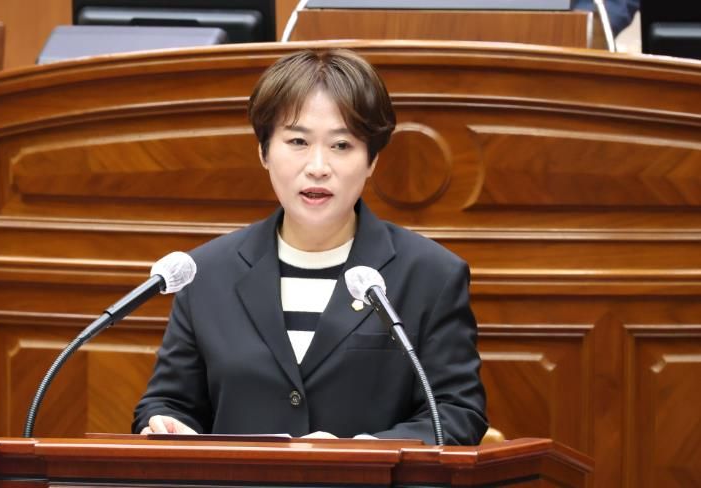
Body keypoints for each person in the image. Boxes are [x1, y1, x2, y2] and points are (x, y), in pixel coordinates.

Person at [132, 49, 488, 445]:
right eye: (298, 141)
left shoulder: (430, 275)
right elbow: (168, 402)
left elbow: (456, 413)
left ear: (372, 160)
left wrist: (365, 453)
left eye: (341, 145)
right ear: (264, 151)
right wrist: (165, 422)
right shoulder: (207, 273)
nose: (318, 166)